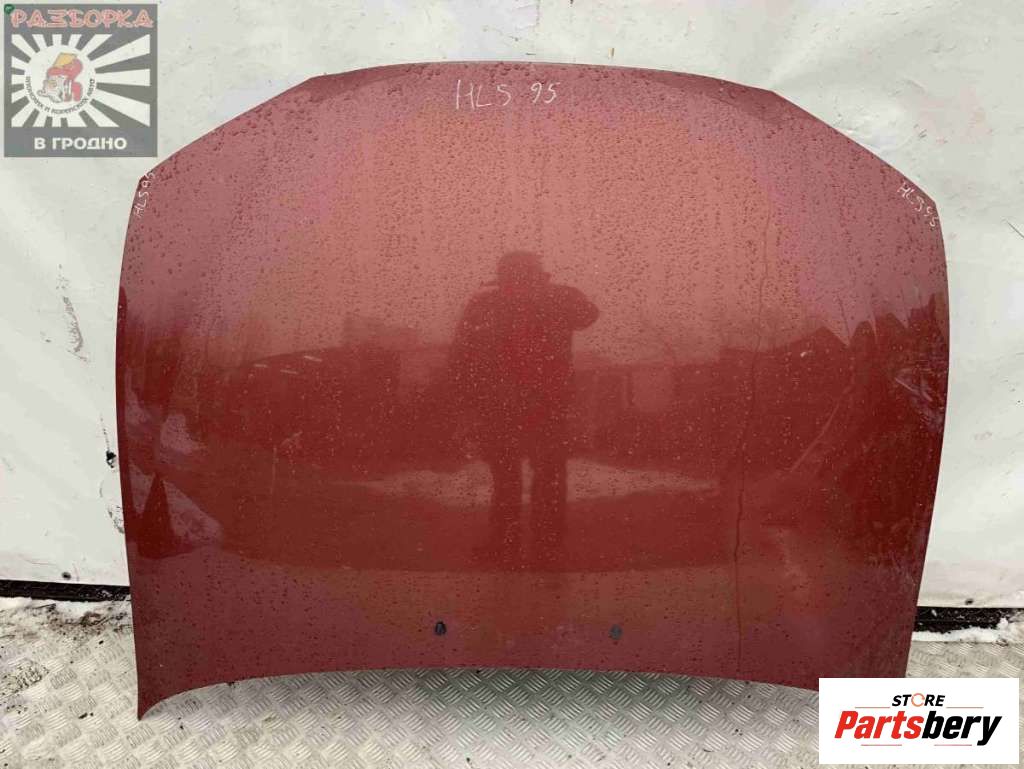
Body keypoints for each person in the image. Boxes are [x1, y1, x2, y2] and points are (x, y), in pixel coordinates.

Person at [448, 251, 599, 566]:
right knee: (518, 478)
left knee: (542, 477)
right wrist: (469, 401)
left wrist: (547, 295)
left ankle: (537, 546)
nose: (518, 286)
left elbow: (588, 314)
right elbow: (462, 354)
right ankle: (521, 545)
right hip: (506, 405)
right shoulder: (486, 305)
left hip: (540, 404)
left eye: (524, 277)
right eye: (514, 278)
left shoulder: (552, 299)